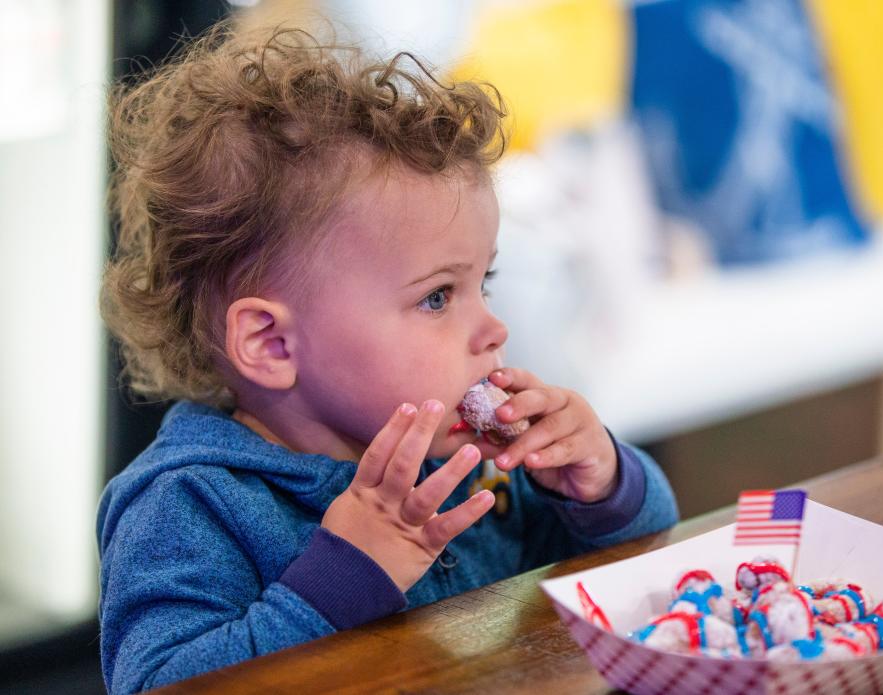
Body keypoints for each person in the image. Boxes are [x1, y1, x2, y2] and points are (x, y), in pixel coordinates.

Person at [97, 22, 678, 695]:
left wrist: (600, 485)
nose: (492, 328)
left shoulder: (467, 463)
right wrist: (348, 574)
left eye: (480, 284)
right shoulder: (187, 504)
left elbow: (640, 558)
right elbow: (163, 683)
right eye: (437, 297)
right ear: (271, 344)